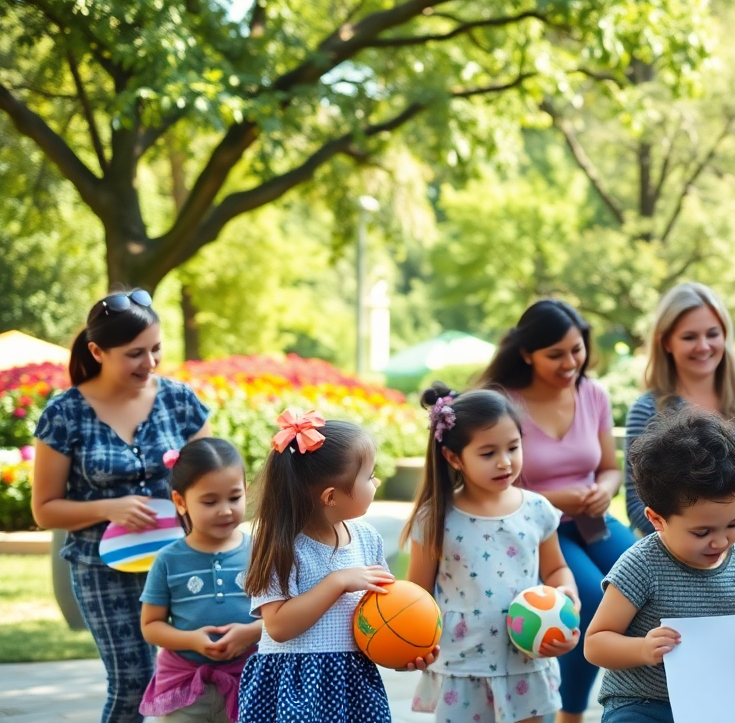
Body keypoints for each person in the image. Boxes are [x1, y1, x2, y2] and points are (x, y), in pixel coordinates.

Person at [31, 289, 211, 723]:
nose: (150, 363)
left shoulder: (180, 401)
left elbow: (211, 478)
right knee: (133, 682)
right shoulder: (64, 415)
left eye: (156, 349)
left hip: (179, 562)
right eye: (135, 354)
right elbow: (45, 510)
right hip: (101, 570)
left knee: (199, 675)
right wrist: (109, 508)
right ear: (97, 352)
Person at [621, 282, 735, 722]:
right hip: (679, 543)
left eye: (712, 333)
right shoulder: (650, 407)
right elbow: (635, 497)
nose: (704, 345)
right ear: (667, 342)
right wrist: (684, 539)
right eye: (690, 336)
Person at [478, 299, 636, 723]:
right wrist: (558, 499)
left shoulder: (593, 394)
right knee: (588, 598)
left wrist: (604, 490)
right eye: (555, 354)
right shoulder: (503, 402)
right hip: (533, 528)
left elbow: (609, 468)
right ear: (527, 354)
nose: (570, 363)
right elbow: (490, 483)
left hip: (592, 520)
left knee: (644, 576)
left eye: (577, 349)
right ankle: (571, 713)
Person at [238, 410, 434, 722]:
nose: (376, 481)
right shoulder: (281, 546)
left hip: (353, 684)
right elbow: (278, 627)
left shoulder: (367, 539)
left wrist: (403, 650)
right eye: (369, 476)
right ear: (331, 496)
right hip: (298, 687)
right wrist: (336, 582)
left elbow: (380, 619)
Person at [403, 385, 581, 723]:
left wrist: (567, 595)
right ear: (453, 458)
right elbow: (417, 597)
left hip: (526, 661)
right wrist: (409, 646)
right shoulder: (435, 518)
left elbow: (556, 569)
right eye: (487, 453)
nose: (505, 462)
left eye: (513, 447)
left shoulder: (537, 510)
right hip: (462, 664)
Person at [585, 407, 735, 723]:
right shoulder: (641, 565)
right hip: (642, 704)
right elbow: (595, 643)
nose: (720, 541)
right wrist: (642, 649)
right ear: (657, 520)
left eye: (733, 524)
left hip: (712, 703)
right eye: (702, 532)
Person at [139, 438, 261, 723]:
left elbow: (282, 617)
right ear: (180, 502)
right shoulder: (168, 560)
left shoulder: (261, 553)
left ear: (245, 491)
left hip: (250, 682)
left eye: (234, 498)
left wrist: (251, 632)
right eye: (209, 501)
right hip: (185, 687)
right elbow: (151, 625)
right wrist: (191, 641)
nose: (225, 510)